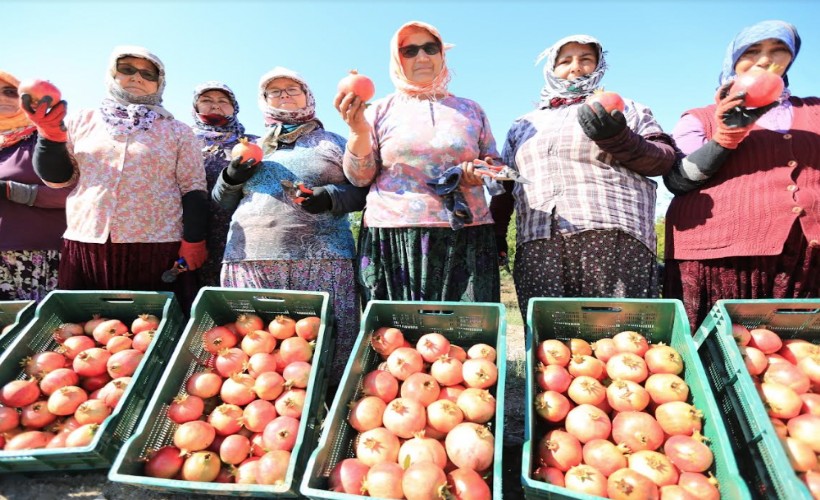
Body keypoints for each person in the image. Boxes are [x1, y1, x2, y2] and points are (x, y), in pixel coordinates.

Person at [490, 35, 677, 319]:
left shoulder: (625, 108)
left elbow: (663, 159)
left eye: (585, 59)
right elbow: (505, 184)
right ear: (551, 68)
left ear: (599, 65)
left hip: (613, 238)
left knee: (619, 341)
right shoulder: (523, 125)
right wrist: (497, 235)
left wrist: (619, 137)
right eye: (565, 61)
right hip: (539, 244)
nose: (575, 67)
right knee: (551, 347)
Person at [23, 46, 207, 310]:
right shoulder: (81, 121)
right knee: (87, 329)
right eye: (127, 69)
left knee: (153, 327)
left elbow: (193, 189)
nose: (137, 77)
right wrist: (49, 136)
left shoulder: (177, 131)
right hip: (88, 244)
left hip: (156, 247)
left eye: (148, 74)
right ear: (112, 74)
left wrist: (193, 241)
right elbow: (58, 179)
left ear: (160, 83)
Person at [663, 20, 819, 330]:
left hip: (806, 256)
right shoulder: (700, 118)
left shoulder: (815, 110)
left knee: (796, 356)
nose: (764, 60)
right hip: (720, 257)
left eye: (778, 51)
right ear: (734, 60)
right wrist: (725, 136)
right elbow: (677, 181)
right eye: (752, 51)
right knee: (714, 352)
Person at [212, 66, 366, 378]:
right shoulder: (252, 145)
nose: (284, 95)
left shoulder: (332, 142)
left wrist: (331, 197)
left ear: (308, 96)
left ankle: (330, 411)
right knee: (260, 357)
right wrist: (231, 176)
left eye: (292, 89)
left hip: (321, 262)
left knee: (327, 348)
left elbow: (363, 190)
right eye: (275, 91)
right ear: (264, 100)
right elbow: (221, 202)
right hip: (249, 260)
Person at [335, 20, 502, 304]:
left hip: (464, 234)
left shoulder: (471, 109)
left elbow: (495, 165)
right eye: (409, 51)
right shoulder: (379, 111)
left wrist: (480, 172)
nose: (422, 57)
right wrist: (358, 131)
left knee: (466, 337)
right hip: (394, 237)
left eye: (430, 48)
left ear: (442, 54)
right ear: (397, 59)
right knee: (398, 338)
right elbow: (360, 177)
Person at [0, 70, 70, 301]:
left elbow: (76, 194)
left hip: (43, 257)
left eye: (9, 92)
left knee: (47, 331)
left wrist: (13, 191)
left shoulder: (49, 137)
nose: (1, 98)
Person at [190, 81, 257, 288]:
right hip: (191, 233)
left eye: (223, 101)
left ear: (234, 107)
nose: (215, 105)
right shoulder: (183, 140)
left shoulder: (253, 143)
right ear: (196, 107)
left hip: (240, 233)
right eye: (206, 100)